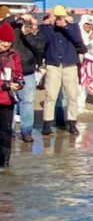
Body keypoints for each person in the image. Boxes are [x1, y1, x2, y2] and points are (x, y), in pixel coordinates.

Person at [40, 5, 85, 136]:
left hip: (69, 64)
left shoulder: (73, 27)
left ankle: (72, 122)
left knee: (72, 95)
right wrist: (50, 24)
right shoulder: (46, 28)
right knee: (50, 95)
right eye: (56, 16)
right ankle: (47, 123)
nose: (59, 19)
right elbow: (45, 41)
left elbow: (77, 40)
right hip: (53, 64)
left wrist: (65, 26)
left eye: (61, 16)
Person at [2, 14, 44, 142]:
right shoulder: (14, 29)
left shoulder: (38, 35)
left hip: (28, 72)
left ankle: (26, 132)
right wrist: (19, 16)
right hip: (10, 71)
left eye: (33, 24)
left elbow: (39, 48)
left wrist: (28, 35)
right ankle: (10, 131)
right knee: (10, 103)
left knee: (27, 103)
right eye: (29, 23)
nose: (30, 26)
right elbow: (3, 24)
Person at [0, 23, 25, 168]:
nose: (6, 44)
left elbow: (19, 74)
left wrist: (18, 83)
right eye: (3, 41)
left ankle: (5, 163)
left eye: (8, 42)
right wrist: (3, 84)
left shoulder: (13, 55)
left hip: (7, 99)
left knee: (6, 132)